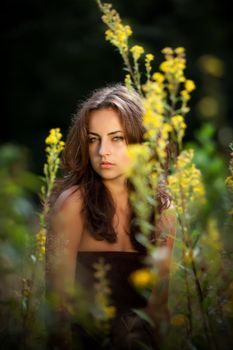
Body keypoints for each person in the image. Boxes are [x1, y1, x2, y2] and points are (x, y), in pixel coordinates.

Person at [45, 83, 176, 350]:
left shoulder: (163, 209)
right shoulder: (73, 204)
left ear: (141, 139)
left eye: (117, 138)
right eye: (94, 139)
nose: (102, 150)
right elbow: (58, 305)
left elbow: (157, 309)